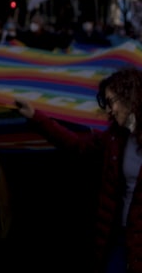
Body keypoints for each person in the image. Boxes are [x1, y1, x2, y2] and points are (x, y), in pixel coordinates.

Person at [16, 68, 142, 272]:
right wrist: (35, 117)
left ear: (130, 97)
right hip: (121, 237)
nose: (109, 110)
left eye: (111, 102)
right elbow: (77, 145)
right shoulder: (115, 138)